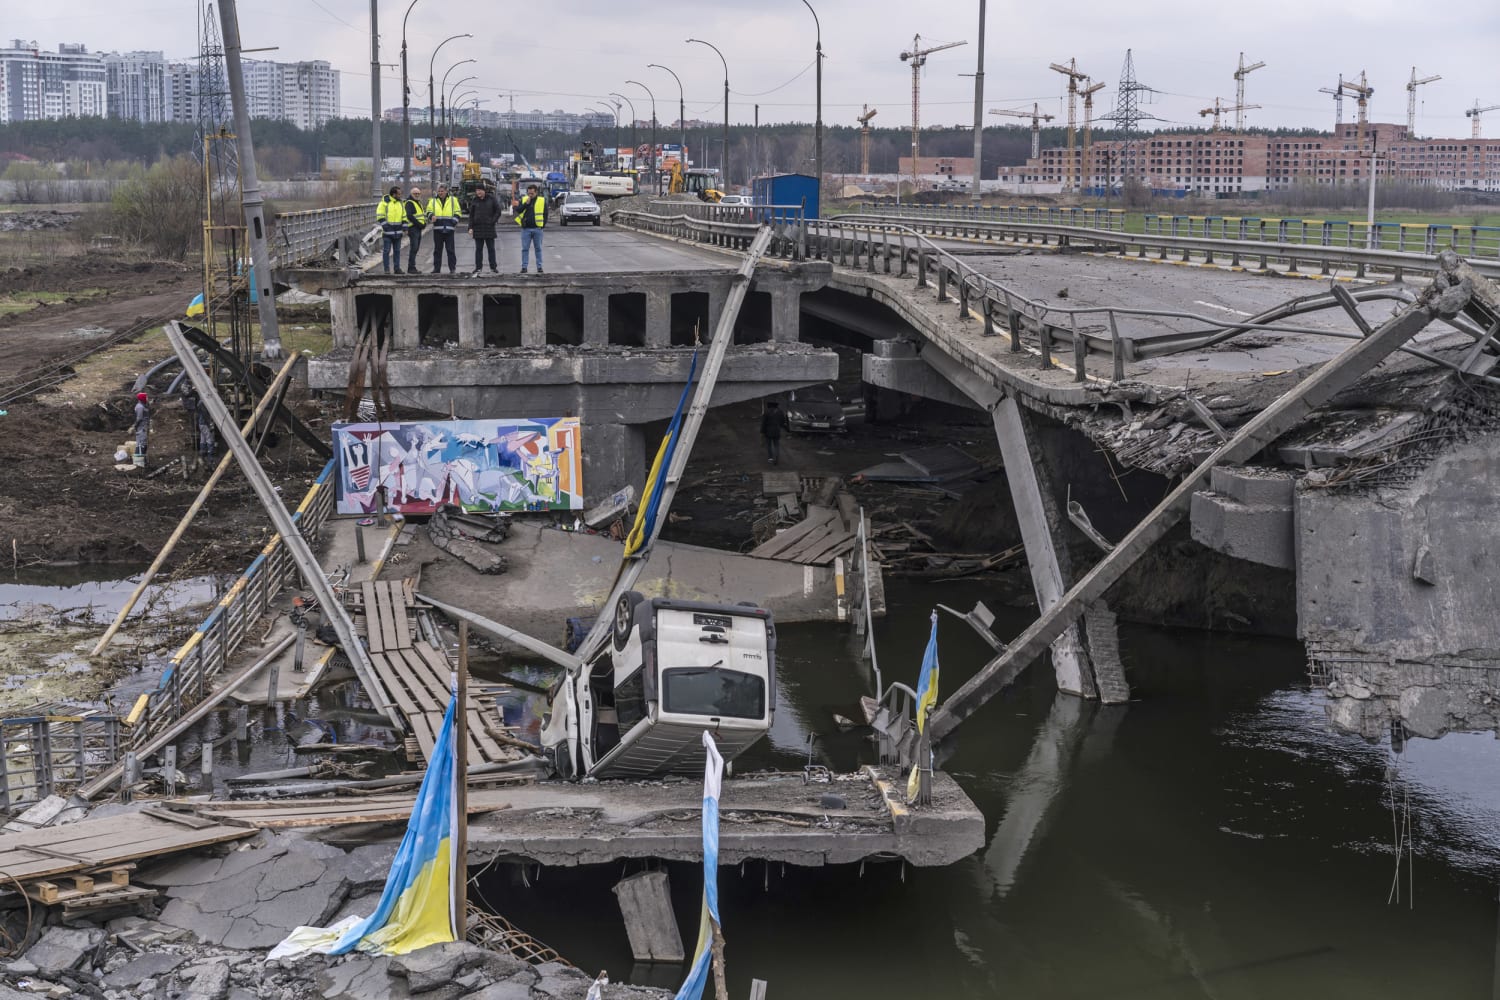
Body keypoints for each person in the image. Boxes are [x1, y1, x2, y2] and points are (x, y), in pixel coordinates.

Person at [425, 183, 462, 274]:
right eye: (439, 191)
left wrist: (453, 222)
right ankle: (436, 269)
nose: (440, 193)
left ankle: (452, 269)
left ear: (446, 191)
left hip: (449, 229)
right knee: (437, 250)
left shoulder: (453, 200)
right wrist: (431, 216)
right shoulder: (433, 201)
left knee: (450, 250)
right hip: (438, 229)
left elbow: (458, 212)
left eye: (442, 191)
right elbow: (428, 211)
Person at [466, 183, 502, 275]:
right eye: (477, 190)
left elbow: (498, 211)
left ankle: (493, 268)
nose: (478, 192)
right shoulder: (475, 200)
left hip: (489, 227)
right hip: (477, 228)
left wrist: (492, 221)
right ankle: (478, 268)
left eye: (480, 190)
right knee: (478, 249)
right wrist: (470, 227)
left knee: (491, 249)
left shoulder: (491, 199)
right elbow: (471, 215)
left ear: (484, 191)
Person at [514, 183, 547, 274]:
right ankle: (524, 267)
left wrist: (543, 225)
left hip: (537, 228)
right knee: (525, 248)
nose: (530, 195)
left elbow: (545, 214)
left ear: (536, 192)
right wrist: (526, 204)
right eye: (529, 193)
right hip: (526, 229)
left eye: (532, 193)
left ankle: (539, 267)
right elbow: (518, 210)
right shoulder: (524, 199)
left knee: (538, 248)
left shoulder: (542, 200)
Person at [375, 185, 408, 274]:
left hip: (398, 232)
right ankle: (387, 269)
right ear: (394, 194)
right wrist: (386, 227)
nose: (400, 195)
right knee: (386, 251)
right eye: (399, 194)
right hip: (387, 233)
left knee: (397, 251)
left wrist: (405, 227)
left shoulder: (400, 203)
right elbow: (380, 216)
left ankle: (397, 269)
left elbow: (404, 216)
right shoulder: (384, 203)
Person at [403, 186, 427, 274]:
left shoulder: (417, 202)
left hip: (417, 228)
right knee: (414, 248)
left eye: (418, 193)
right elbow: (410, 216)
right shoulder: (410, 203)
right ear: (411, 194)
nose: (417, 195)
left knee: (415, 248)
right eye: (415, 193)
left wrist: (423, 224)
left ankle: (412, 267)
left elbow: (420, 215)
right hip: (413, 228)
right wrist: (420, 224)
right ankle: (411, 268)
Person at [760, 400, 787, 465]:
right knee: (776, 445)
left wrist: (762, 431)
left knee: (769, 445)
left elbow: (764, 423)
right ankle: (777, 457)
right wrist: (779, 426)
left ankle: (770, 458)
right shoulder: (780, 412)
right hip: (777, 431)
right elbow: (783, 422)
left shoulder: (766, 412)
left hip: (768, 431)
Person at [133, 391, 152, 468]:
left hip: (144, 427)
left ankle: (142, 461)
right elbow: (139, 418)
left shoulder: (142, 405)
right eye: (146, 397)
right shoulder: (140, 407)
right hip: (141, 428)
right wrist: (135, 426)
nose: (147, 399)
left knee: (143, 444)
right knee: (141, 444)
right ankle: (138, 463)